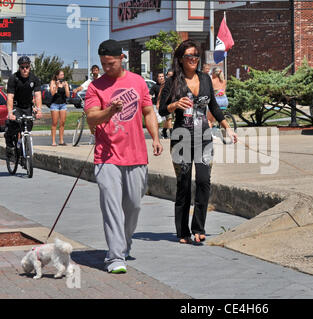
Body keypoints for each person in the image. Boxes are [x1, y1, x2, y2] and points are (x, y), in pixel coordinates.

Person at [84, 39, 163, 274]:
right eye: (103, 64)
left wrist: (156, 138)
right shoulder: (95, 87)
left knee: (134, 205)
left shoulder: (138, 82)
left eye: (110, 63)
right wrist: (110, 110)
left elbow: (148, 112)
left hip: (136, 155)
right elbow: (91, 119)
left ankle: (125, 244)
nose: (106, 67)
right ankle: (115, 256)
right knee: (111, 206)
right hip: (106, 156)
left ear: (121, 58)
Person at [159, 40, 238, 244]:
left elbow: (213, 105)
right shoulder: (173, 81)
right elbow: (161, 109)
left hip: (203, 136)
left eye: (196, 56)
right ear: (180, 59)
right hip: (181, 137)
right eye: (189, 56)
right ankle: (183, 231)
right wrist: (174, 104)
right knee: (184, 183)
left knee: (203, 181)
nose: (193, 59)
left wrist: (226, 127)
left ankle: (199, 227)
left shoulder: (205, 79)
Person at [5, 56, 43, 150]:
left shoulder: (34, 78)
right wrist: (10, 113)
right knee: (14, 126)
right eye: (22, 67)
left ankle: (22, 148)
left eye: (27, 67)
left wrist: (39, 110)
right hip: (16, 105)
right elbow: (10, 97)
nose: (25, 69)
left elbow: (38, 95)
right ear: (19, 68)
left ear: (30, 67)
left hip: (28, 106)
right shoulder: (14, 78)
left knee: (27, 127)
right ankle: (9, 141)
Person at [49, 70, 70, 146]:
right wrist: (57, 86)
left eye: (63, 75)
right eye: (61, 75)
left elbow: (67, 95)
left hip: (63, 104)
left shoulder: (65, 83)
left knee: (62, 123)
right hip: (55, 105)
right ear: (57, 76)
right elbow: (52, 93)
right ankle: (53, 141)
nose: (62, 76)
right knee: (54, 123)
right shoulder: (53, 82)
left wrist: (66, 87)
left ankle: (61, 140)